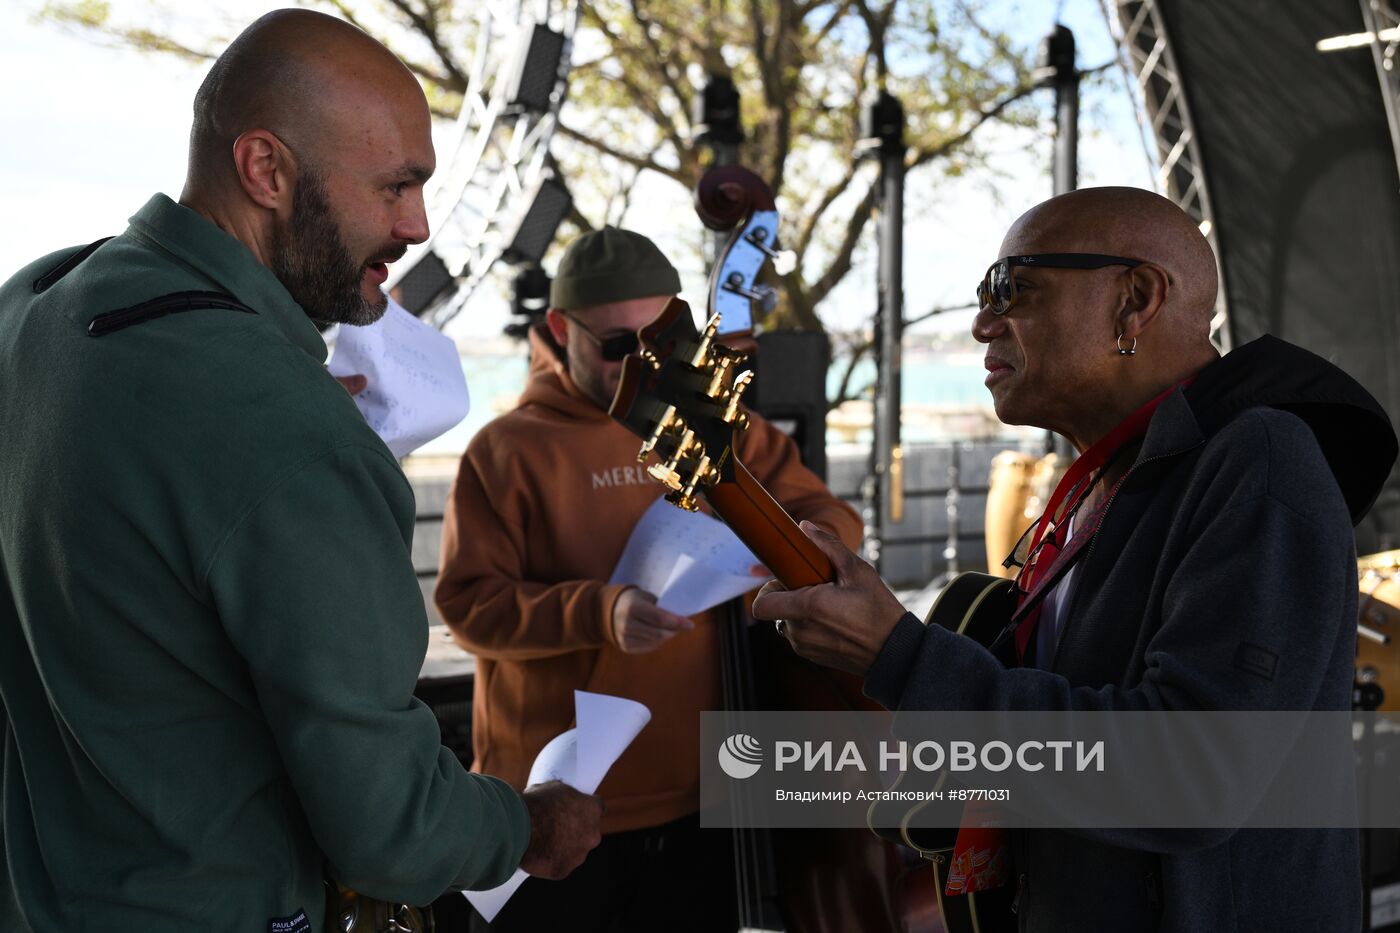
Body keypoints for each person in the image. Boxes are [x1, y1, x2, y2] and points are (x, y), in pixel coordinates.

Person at [0, 10, 601, 932]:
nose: (417, 224)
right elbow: (392, 829)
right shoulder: (297, 439)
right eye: (395, 187)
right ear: (265, 170)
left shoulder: (30, 308)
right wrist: (527, 824)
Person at [752, 186, 1397, 931]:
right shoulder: (1110, 481)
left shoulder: (1262, 463)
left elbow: (1194, 775)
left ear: (1136, 299)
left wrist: (903, 655)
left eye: (1013, 287)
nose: (981, 322)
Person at [434, 226, 867, 931]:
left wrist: (770, 553)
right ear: (557, 328)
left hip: (708, 797)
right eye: (614, 346)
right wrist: (599, 611)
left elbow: (832, 520)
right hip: (554, 808)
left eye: (661, 344)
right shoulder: (506, 449)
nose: (639, 365)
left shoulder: (715, 422)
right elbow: (468, 606)